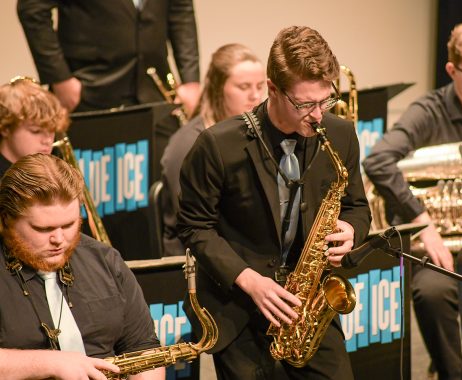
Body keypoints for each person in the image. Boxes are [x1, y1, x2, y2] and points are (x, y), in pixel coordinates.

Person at [177, 26, 371, 379]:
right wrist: (249, 280)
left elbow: (357, 205)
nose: (317, 114)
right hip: (239, 305)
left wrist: (351, 230)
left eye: (325, 100)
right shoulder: (218, 145)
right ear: (272, 89)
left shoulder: (340, 134)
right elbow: (194, 227)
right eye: (305, 104)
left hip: (306, 303)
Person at [362, 21, 462, 379]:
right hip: (442, 247)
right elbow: (377, 160)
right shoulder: (428, 112)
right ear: (451, 70)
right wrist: (424, 222)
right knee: (431, 292)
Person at [0, 153, 164, 379]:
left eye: (69, 224)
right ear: (7, 219)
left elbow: (142, 347)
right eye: (43, 229)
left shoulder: (105, 260)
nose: (59, 239)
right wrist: (50, 363)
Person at [160, 43, 265, 256]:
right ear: (218, 88)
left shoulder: (258, 132)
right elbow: (194, 226)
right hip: (196, 261)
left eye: (260, 86)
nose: (255, 96)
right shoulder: (188, 143)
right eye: (244, 87)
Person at [17, 0, 200, 114]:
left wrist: (191, 81)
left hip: (154, 91)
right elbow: (32, 8)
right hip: (89, 92)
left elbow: (181, 10)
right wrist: (60, 78)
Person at [0, 76, 69, 178]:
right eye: (36, 131)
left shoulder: (55, 169)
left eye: (52, 130)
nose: (48, 140)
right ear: (6, 129)